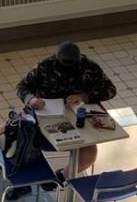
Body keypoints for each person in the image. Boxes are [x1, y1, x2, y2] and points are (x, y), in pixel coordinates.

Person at [16, 42, 117, 173]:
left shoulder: (90, 68)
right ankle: (24, 180)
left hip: (78, 117)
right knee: (16, 138)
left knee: (89, 156)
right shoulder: (45, 66)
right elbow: (22, 86)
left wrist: (84, 97)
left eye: (71, 66)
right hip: (44, 115)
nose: (66, 70)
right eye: (62, 66)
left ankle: (62, 177)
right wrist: (31, 99)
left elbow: (110, 90)